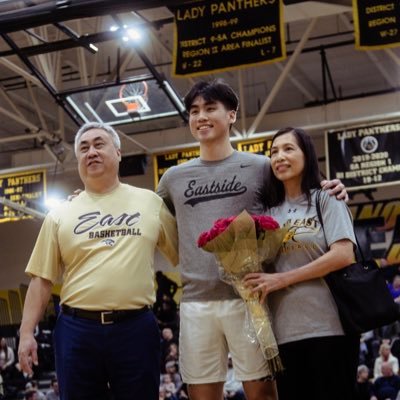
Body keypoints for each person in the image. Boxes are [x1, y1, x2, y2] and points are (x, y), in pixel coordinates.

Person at [156, 80, 347, 400]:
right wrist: (88, 197)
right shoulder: (173, 178)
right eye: (194, 111)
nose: (201, 116)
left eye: (210, 108)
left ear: (231, 115)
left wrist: (333, 187)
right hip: (195, 303)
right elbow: (141, 212)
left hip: (252, 300)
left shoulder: (261, 166)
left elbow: (303, 184)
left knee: (263, 394)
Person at [18, 122, 178, 400]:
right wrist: (25, 333)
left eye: (99, 144)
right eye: (83, 147)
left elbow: (185, 254)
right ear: (78, 160)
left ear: (118, 152)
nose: (91, 151)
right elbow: (41, 280)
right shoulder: (60, 214)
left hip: (136, 328)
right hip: (77, 331)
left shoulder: (150, 203)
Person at [243, 127, 359, 400]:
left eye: (288, 149)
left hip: (331, 328)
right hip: (284, 334)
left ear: (306, 154)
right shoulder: (266, 213)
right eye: (273, 152)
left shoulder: (327, 198)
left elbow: (344, 254)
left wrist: (282, 279)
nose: (279, 157)